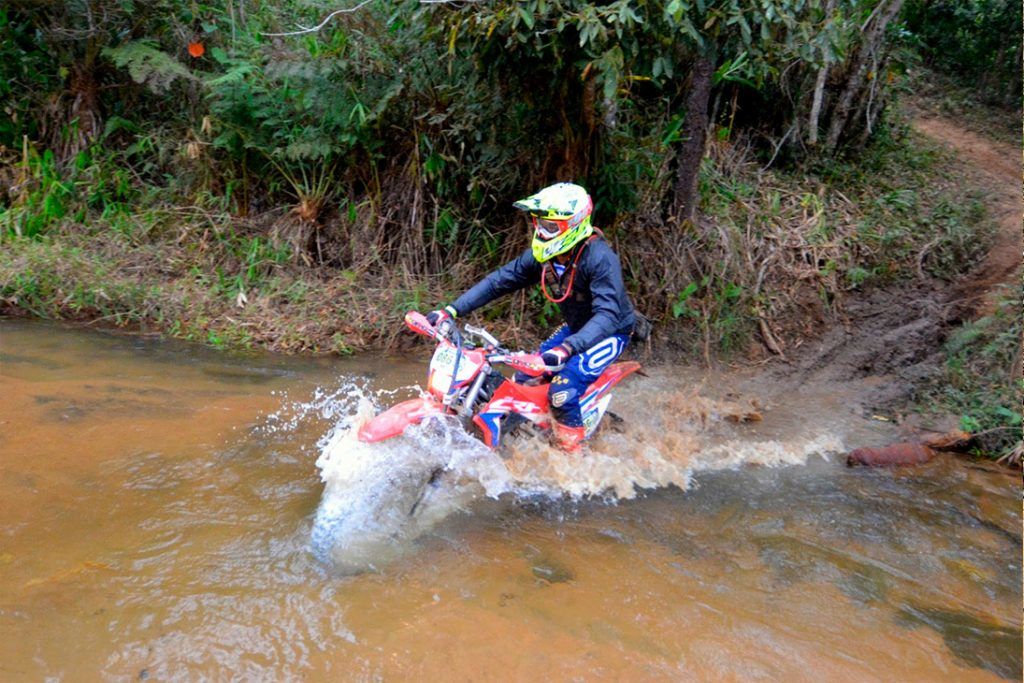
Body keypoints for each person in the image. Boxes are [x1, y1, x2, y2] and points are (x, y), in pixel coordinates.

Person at [426, 182, 636, 453]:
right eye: (539, 224)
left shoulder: (600, 258)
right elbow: (499, 281)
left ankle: (573, 459)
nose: (540, 232)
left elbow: (608, 314)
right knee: (526, 377)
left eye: (549, 227)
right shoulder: (544, 257)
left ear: (572, 224)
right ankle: (528, 437)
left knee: (562, 392)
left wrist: (567, 348)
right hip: (577, 327)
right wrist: (451, 310)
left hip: (610, 331)